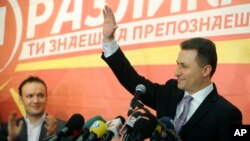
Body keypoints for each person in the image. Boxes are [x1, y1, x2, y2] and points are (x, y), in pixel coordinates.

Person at [101, 5, 242, 141]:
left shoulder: (228, 113)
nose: (176, 72)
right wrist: (109, 41)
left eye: (184, 66)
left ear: (206, 70)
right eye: (177, 64)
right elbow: (132, 80)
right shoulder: (170, 91)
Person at [0, 76, 65, 141]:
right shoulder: (6, 130)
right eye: (30, 96)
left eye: (40, 95)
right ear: (20, 99)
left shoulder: (63, 128)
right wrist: (11, 139)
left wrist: (54, 136)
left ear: (46, 98)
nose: (36, 101)